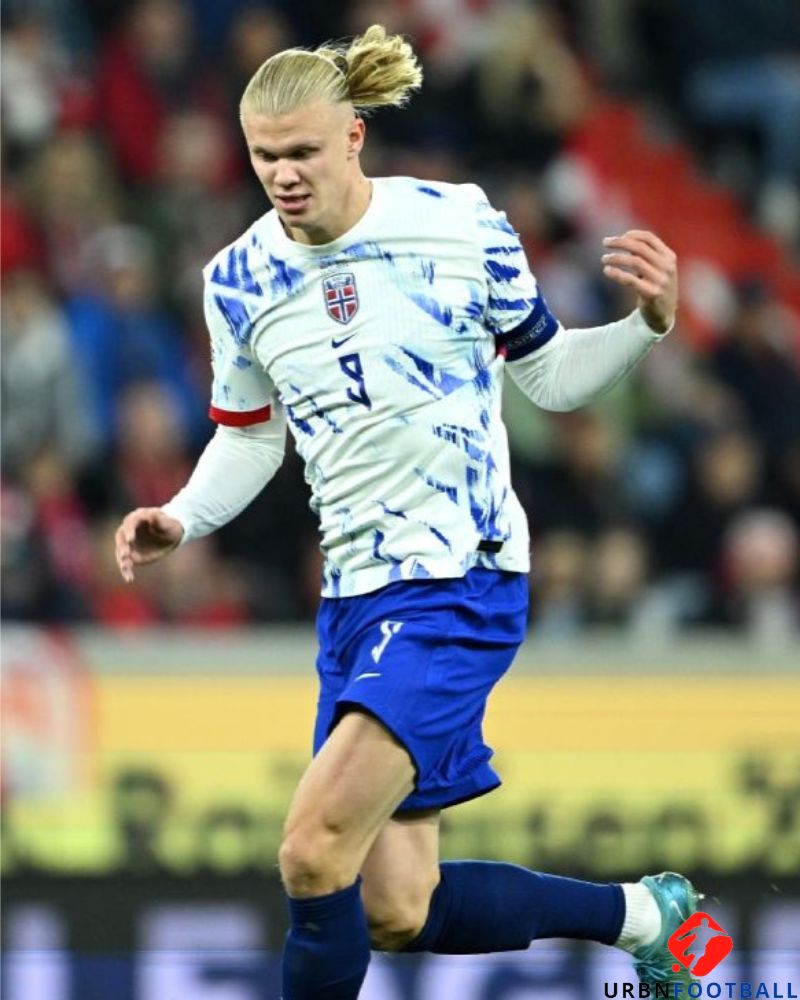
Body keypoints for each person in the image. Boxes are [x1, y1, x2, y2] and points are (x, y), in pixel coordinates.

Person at [115, 25, 696, 1000]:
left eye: (303, 152)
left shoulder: (458, 223)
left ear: (353, 136)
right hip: (354, 603)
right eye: (264, 156)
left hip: (456, 581)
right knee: (396, 906)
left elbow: (549, 376)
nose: (283, 175)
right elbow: (251, 437)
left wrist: (644, 325)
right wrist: (181, 516)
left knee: (310, 851)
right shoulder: (236, 281)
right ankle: (645, 917)